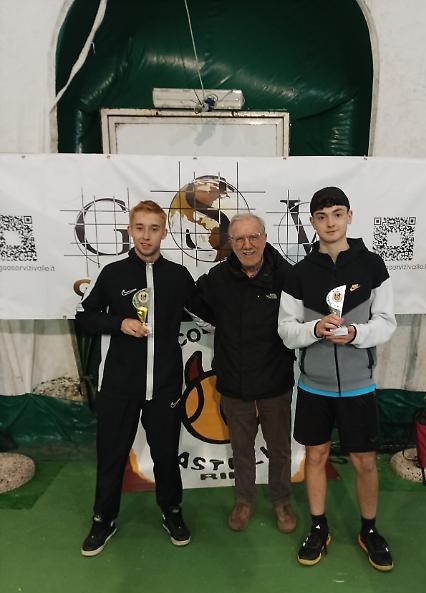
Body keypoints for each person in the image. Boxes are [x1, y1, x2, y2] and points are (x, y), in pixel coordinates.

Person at [278, 187, 397, 571]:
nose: (330, 222)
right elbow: (286, 330)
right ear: (312, 222)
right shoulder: (298, 274)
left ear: (349, 216)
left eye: (337, 214)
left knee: (364, 461)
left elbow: (386, 323)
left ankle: (369, 530)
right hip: (313, 386)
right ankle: (318, 526)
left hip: (359, 385)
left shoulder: (373, 265)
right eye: (322, 216)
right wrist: (314, 329)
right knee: (316, 456)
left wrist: (357, 334)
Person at [76, 200, 195, 556]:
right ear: (130, 230)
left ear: (164, 232)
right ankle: (103, 519)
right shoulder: (112, 273)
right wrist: (119, 323)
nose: (146, 236)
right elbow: (85, 317)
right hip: (118, 386)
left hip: (165, 386)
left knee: (166, 455)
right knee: (111, 455)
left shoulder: (178, 275)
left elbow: (206, 312)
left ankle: (172, 511)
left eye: (154, 229)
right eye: (140, 228)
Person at [188, 213, 296, 533]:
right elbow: (193, 303)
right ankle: (244, 500)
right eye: (239, 239)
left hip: (275, 379)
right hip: (234, 380)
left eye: (253, 237)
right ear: (231, 243)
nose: (247, 245)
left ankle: (281, 500)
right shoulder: (217, 277)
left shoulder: (287, 276)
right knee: (241, 448)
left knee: (279, 447)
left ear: (264, 238)